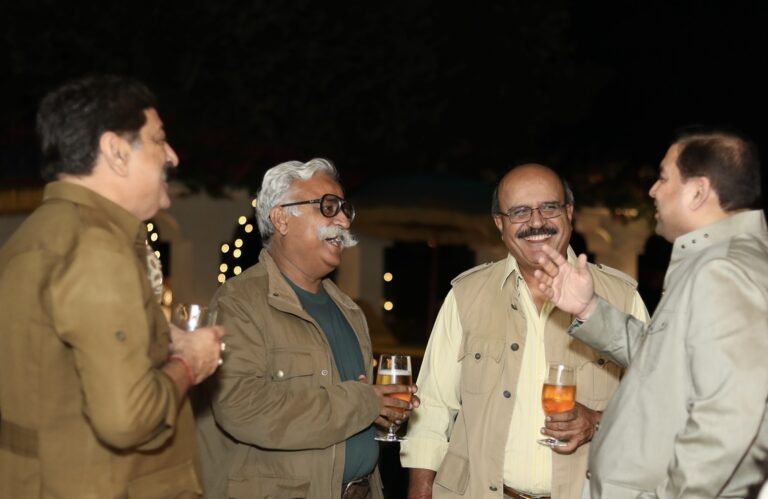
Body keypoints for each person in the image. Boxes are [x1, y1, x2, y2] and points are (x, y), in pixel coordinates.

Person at [0, 74, 224, 498]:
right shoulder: (97, 247)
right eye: (159, 140)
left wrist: (157, 341)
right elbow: (127, 418)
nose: (172, 156)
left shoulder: (33, 236)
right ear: (116, 152)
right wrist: (190, 362)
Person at [534, 129, 768, 498]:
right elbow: (668, 361)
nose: (653, 191)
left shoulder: (724, 271)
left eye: (662, 177)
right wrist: (588, 309)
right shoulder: (719, 262)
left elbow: (732, 419)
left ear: (698, 191)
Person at [400, 163, 649, 499]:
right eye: (519, 211)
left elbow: (658, 400)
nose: (536, 222)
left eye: (549, 207)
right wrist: (420, 489)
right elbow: (432, 406)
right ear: (499, 224)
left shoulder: (621, 297)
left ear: (569, 213)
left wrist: (597, 420)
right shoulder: (466, 296)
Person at [196, 157, 418, 499]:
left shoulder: (350, 311)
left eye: (345, 208)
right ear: (282, 218)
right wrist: (364, 403)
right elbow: (242, 409)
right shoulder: (240, 303)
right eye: (328, 207)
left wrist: (382, 411)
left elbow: (346, 411)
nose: (343, 219)